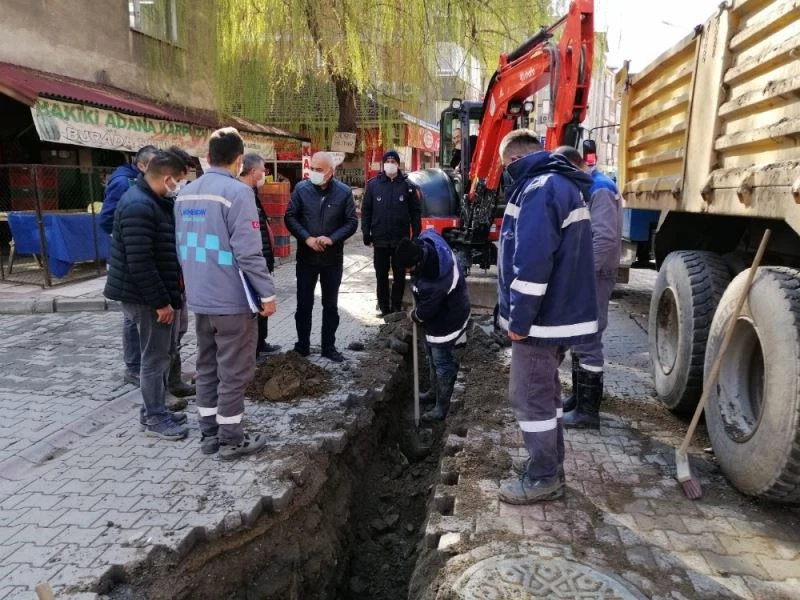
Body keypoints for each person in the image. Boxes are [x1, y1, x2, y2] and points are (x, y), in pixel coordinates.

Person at [495, 129, 597, 505]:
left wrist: (518, 322)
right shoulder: (558, 184)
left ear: (515, 160)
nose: (505, 174)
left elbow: (533, 263)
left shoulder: (538, 189)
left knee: (529, 395)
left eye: (505, 167)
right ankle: (550, 466)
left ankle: (543, 477)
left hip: (540, 321)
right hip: (555, 316)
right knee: (547, 394)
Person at [175, 127, 277, 460]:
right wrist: (267, 294)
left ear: (207, 158)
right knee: (233, 371)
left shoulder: (186, 193)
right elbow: (248, 253)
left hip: (200, 299)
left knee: (207, 367)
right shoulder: (237, 193)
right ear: (238, 160)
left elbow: (182, 247)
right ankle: (231, 438)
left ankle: (209, 434)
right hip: (231, 301)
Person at [103, 147, 192, 441]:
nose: (180, 186)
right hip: (145, 298)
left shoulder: (153, 201)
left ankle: (154, 410)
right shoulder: (138, 206)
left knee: (162, 354)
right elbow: (140, 262)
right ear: (167, 178)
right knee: (153, 359)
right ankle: (154, 418)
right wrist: (161, 302)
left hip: (155, 293)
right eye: (179, 180)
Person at [555, 146, 622, 430]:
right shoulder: (590, 186)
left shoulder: (600, 189)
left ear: (574, 166)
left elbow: (604, 241)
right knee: (579, 335)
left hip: (594, 276)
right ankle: (579, 397)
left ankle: (587, 411)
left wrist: (580, 275)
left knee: (589, 337)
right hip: (588, 274)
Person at [285, 151, 358, 362]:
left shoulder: (343, 193)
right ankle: (302, 346)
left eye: (319, 169)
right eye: (312, 168)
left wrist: (332, 238)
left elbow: (351, 222)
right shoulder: (301, 189)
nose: (313, 173)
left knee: (331, 305)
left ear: (330, 171)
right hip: (306, 259)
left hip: (331, 260)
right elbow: (290, 216)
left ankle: (329, 346)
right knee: (304, 304)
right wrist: (307, 238)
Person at [395, 231, 470, 421]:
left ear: (418, 262)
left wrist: (415, 314)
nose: (407, 273)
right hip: (438, 311)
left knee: (441, 360)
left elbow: (426, 311)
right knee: (430, 354)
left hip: (449, 316)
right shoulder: (426, 241)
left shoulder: (437, 279)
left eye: (409, 269)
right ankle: (432, 392)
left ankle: (441, 407)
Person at [100, 145, 157, 387]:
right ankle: (134, 367)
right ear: (141, 165)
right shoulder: (124, 183)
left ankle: (137, 364)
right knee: (133, 317)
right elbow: (106, 219)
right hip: (128, 260)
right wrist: (128, 239)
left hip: (138, 256)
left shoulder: (142, 183)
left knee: (134, 316)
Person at [361, 149, 422, 316]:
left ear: (398, 164)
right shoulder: (374, 185)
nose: (390, 164)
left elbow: (416, 212)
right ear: (383, 164)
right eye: (387, 161)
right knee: (381, 275)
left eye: (393, 161)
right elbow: (366, 211)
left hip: (400, 241)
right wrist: (366, 233)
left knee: (399, 275)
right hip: (379, 239)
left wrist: (416, 235)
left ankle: (396, 306)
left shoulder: (408, 186)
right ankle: (384, 307)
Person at [239, 153, 281, 357]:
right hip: (252, 262)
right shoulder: (241, 194)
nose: (265, 174)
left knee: (262, 308)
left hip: (264, 259)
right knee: (255, 308)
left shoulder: (252, 192)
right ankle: (252, 351)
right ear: (253, 171)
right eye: (263, 170)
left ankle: (261, 343)